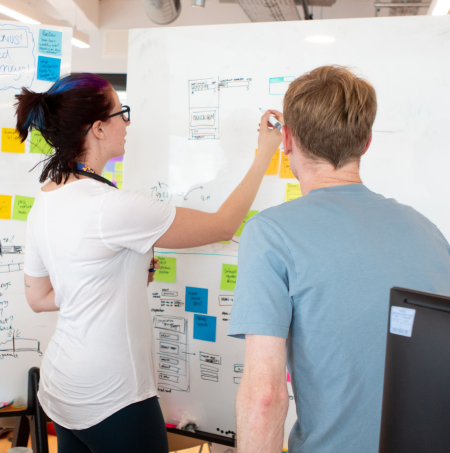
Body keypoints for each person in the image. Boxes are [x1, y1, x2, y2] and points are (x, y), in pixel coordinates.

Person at [16, 73, 281, 453]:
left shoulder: (46, 200)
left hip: (62, 388)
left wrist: (110, 283)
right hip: (113, 395)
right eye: (120, 113)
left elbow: (39, 298)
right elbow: (224, 225)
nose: (127, 123)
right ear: (98, 129)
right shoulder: (113, 207)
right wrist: (265, 153)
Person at [227, 65, 450, 453]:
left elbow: (264, 397)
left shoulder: (271, 233)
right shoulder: (428, 229)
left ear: (288, 141)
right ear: (365, 143)